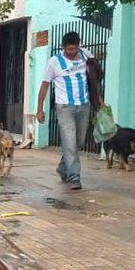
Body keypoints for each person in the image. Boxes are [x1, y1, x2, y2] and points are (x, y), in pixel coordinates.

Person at [36, 31, 101, 189]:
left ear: (79, 45)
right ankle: (74, 177)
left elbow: (93, 79)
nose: (73, 52)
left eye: (75, 48)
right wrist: (39, 109)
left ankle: (63, 167)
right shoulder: (54, 62)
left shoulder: (85, 54)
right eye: (69, 49)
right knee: (69, 142)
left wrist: (99, 100)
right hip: (64, 107)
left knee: (79, 141)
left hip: (84, 105)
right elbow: (44, 85)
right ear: (63, 47)